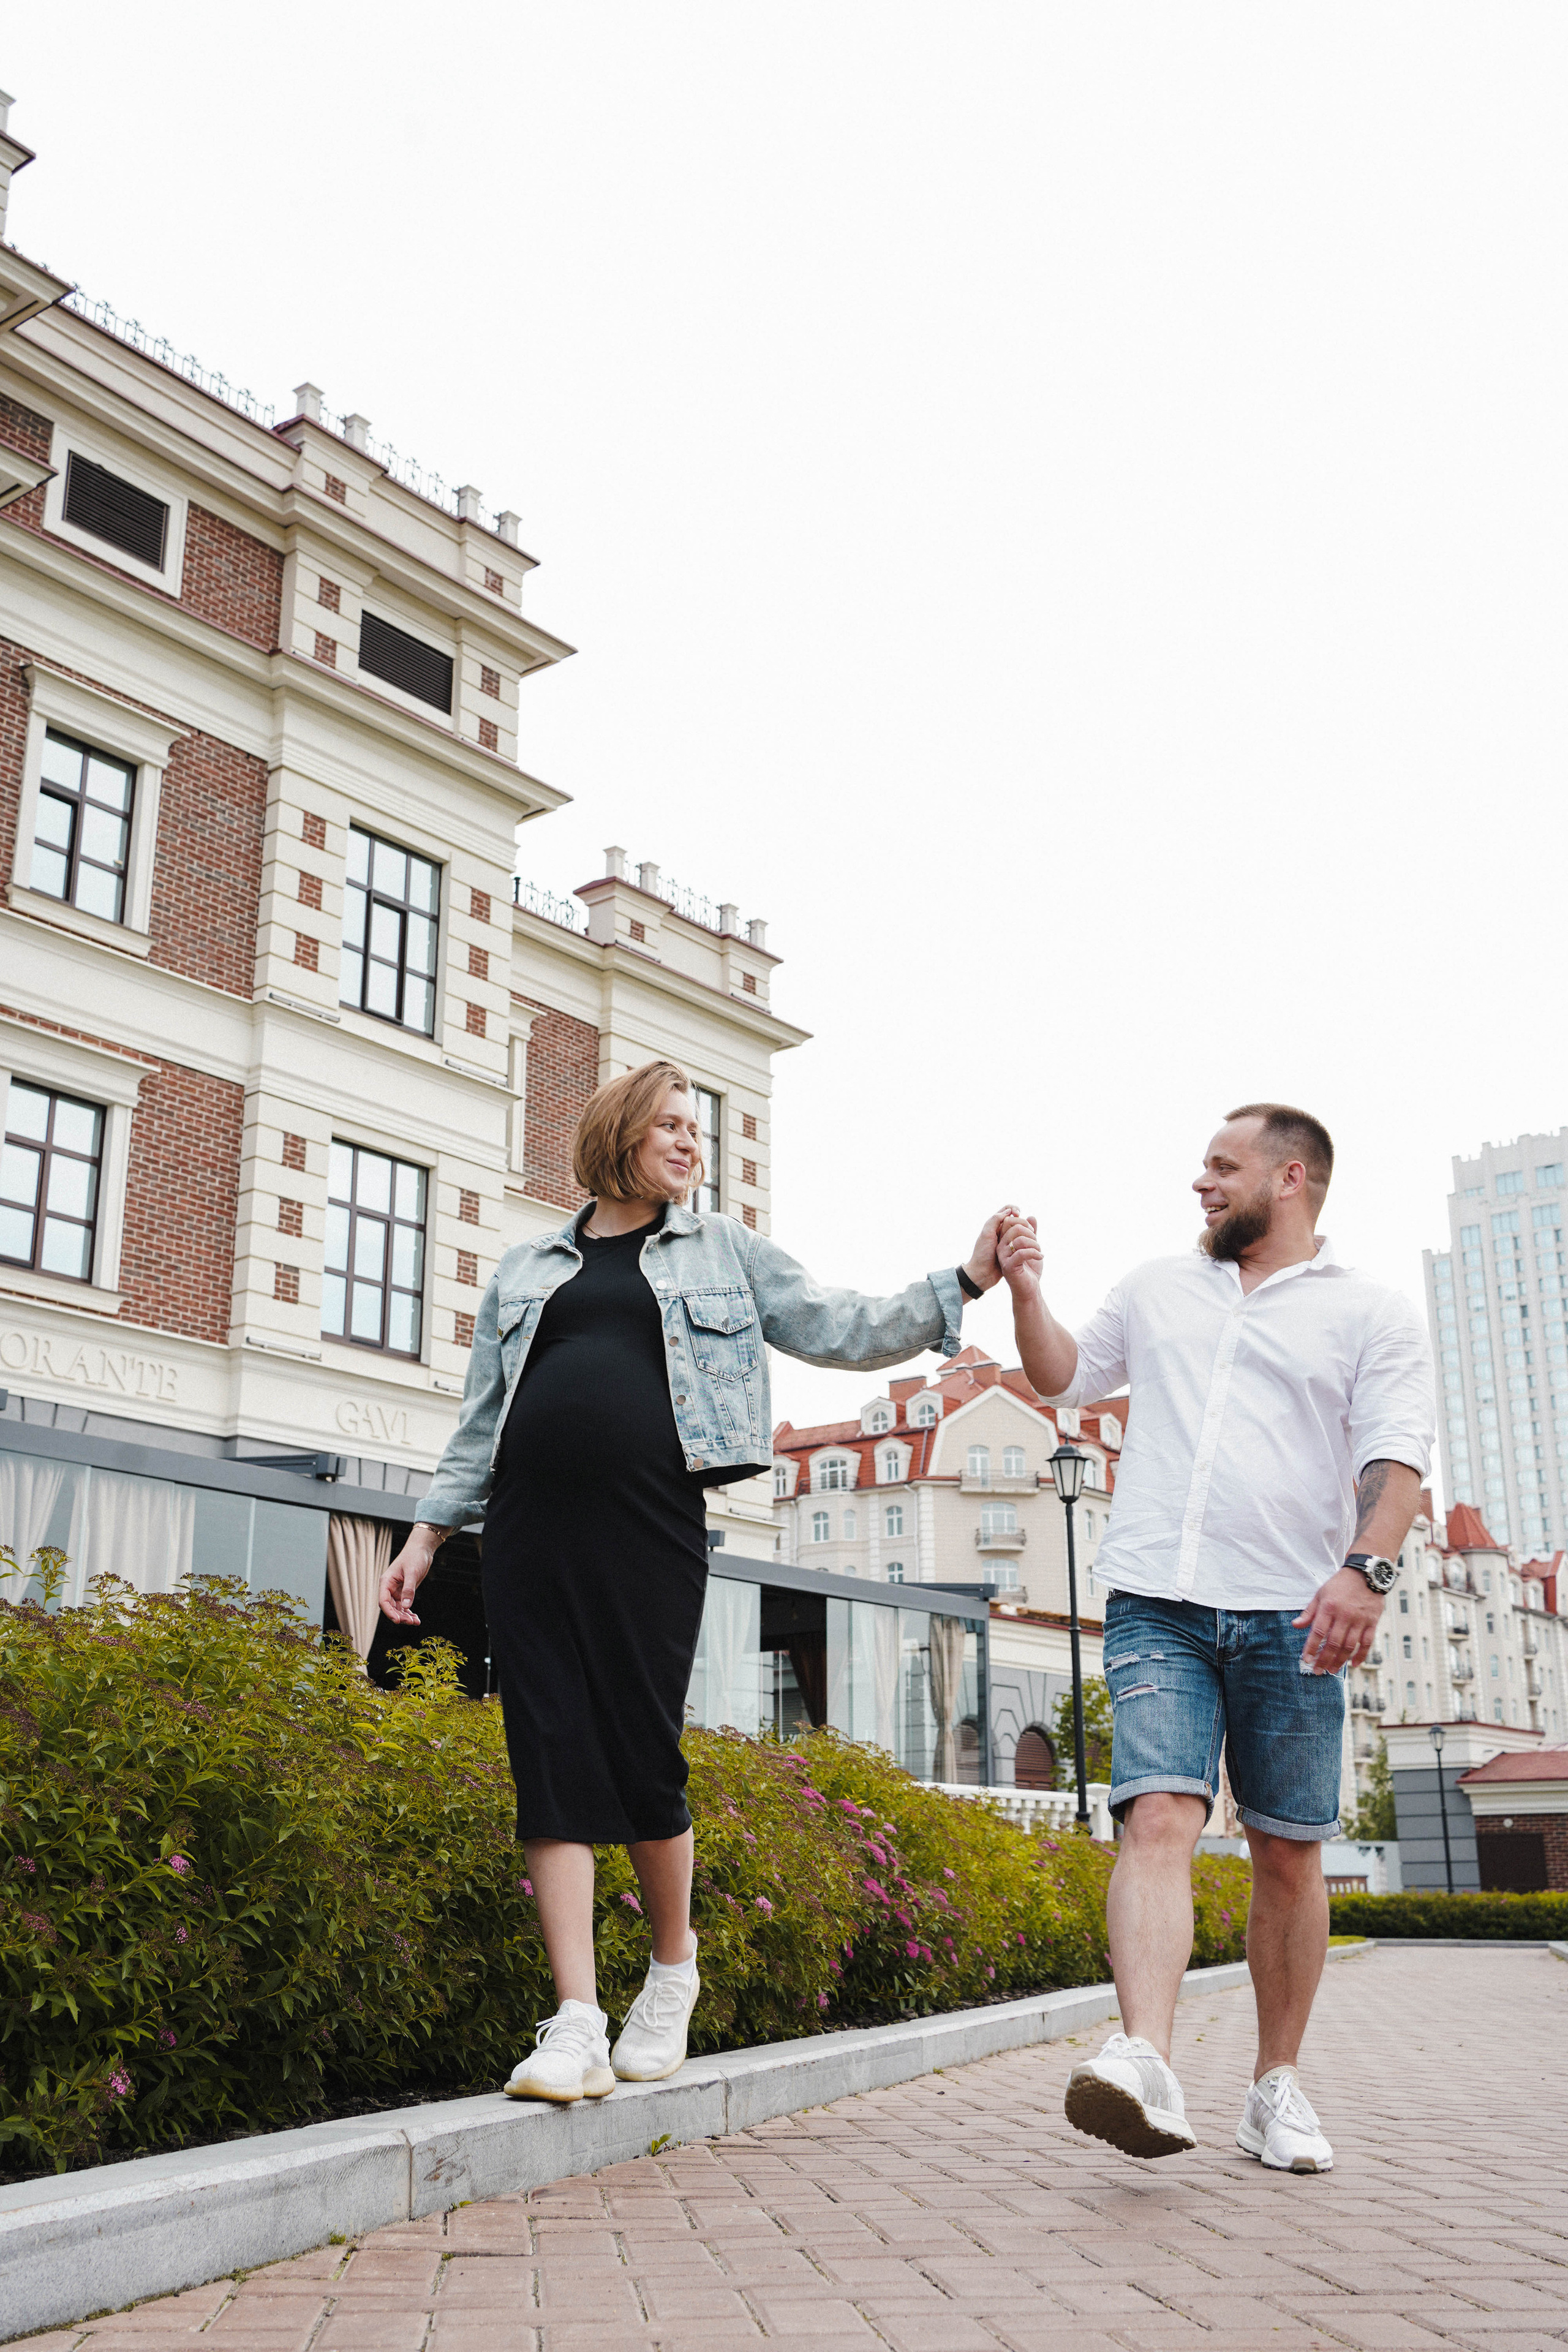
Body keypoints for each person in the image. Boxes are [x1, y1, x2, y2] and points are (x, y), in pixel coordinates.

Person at [380, 1057, 1011, 2105]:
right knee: (547, 1753)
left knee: (639, 1747)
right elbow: (480, 1418)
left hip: (649, 1524)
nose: (689, 1142)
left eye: (697, 1129)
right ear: (620, 1132)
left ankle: (672, 1967)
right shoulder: (529, 1267)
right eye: (670, 1124)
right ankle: (575, 2020)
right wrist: (427, 1535)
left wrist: (966, 1282)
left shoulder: (723, 1252)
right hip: (530, 1528)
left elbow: (840, 1325)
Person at [997, 1102, 1434, 2174]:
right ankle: (1144, 2055)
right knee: (1157, 1813)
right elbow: (1060, 1375)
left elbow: (1395, 1460)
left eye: (1221, 1167)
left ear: (1290, 1179)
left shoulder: (1371, 1312)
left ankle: (1273, 2088)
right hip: (1157, 1596)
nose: (1201, 1183)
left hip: (1296, 1610)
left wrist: (1366, 1572)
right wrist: (1026, 1291)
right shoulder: (1157, 1287)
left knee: (1288, 1852)